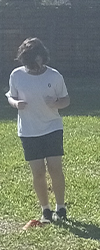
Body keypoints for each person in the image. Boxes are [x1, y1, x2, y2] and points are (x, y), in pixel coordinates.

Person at [6, 38, 70, 223]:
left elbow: (66, 100)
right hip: (28, 131)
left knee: (55, 169)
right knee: (38, 172)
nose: (33, 67)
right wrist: (16, 103)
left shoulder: (54, 76)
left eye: (36, 62)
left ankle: (60, 208)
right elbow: (11, 96)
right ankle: (45, 210)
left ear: (42, 57)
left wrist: (56, 103)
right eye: (29, 64)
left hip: (52, 127)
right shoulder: (16, 75)